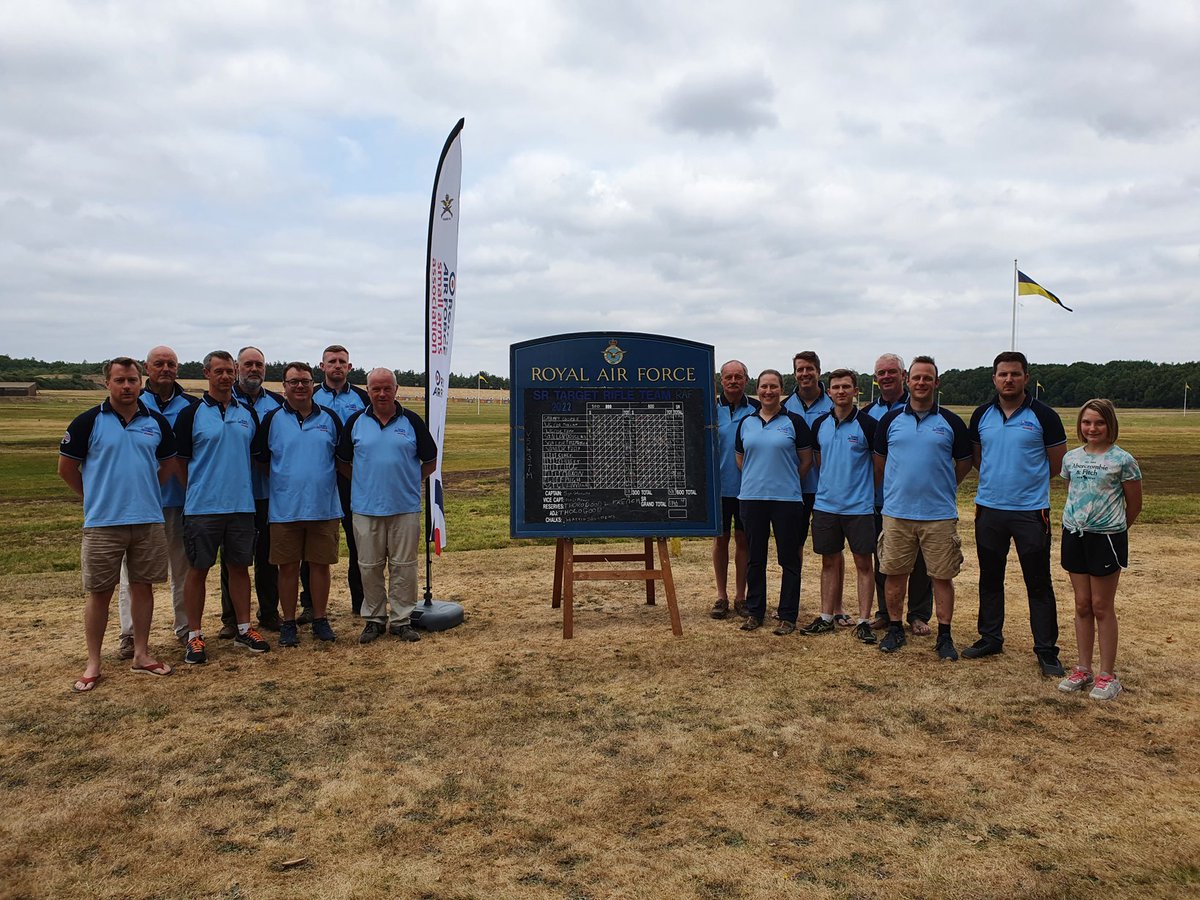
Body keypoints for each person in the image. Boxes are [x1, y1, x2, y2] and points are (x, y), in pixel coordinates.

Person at [59, 357, 176, 692]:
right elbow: (66, 469)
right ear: (107, 383)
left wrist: (147, 492)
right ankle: (93, 663)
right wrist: (94, 497)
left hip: (147, 520)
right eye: (120, 380)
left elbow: (168, 466)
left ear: (141, 382)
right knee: (100, 593)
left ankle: (141, 654)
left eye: (132, 380)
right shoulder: (88, 422)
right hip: (103, 523)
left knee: (143, 587)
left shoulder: (155, 422)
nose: (127, 386)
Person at [965, 351, 1068, 676]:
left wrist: (1027, 484)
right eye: (1003, 374)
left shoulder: (1044, 415)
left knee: (1038, 582)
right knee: (990, 577)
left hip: (1030, 512)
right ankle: (990, 638)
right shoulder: (981, 415)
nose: (1008, 379)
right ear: (994, 378)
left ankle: (1046, 650)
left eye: (1015, 374)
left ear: (1026, 377)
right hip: (989, 509)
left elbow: (1057, 462)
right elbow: (979, 458)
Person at [174, 351, 270, 664]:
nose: (226, 377)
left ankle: (244, 628)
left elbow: (256, 456)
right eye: (219, 371)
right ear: (207, 374)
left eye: (230, 371)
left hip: (241, 506)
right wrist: (198, 489)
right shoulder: (191, 414)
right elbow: (179, 462)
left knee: (239, 568)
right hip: (202, 508)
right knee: (198, 570)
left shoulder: (247, 413)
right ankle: (194, 635)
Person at [873, 356, 972, 658]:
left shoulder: (951, 422)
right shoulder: (890, 421)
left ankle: (944, 635)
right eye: (916, 377)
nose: (921, 383)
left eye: (927, 378)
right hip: (897, 513)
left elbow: (964, 463)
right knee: (894, 574)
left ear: (936, 382)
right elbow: (880, 461)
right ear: (908, 380)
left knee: (942, 577)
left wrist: (943, 486)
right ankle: (894, 628)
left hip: (938, 515)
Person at [336, 368, 438, 644]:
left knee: (404, 566)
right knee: (369, 566)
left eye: (387, 388)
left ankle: (402, 620)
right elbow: (343, 462)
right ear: (368, 390)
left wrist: (409, 480)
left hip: (404, 508)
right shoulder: (356, 422)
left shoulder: (412, 421)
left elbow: (430, 460)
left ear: (396, 389)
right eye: (376, 389)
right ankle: (374, 619)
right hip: (365, 509)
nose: (381, 394)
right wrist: (365, 482)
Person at [253, 362, 343, 646]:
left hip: (323, 508)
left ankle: (320, 619)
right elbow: (262, 460)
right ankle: (289, 622)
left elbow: (341, 458)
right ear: (285, 386)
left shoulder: (330, 418)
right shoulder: (272, 419)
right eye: (294, 382)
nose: (300, 386)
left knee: (320, 566)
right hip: (285, 510)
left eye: (305, 381)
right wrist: (287, 481)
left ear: (313, 384)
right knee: (288, 568)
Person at [115, 345, 197, 657]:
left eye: (171, 364)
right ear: (147, 369)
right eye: (159, 363)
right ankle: (129, 634)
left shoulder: (191, 406)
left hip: (180, 501)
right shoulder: (132, 403)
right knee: (133, 575)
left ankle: (186, 628)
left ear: (178, 369)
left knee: (183, 569)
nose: (165, 369)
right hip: (139, 504)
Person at [1057, 400, 1142, 701]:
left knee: (1101, 605)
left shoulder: (1123, 460)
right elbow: (1073, 493)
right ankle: (1083, 668)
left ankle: (1107, 675)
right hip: (1074, 535)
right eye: (1087, 422)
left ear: (1110, 425)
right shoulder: (1071, 458)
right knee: (1082, 604)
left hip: (1106, 539)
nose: (1092, 428)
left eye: (1099, 423)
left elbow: (1135, 504)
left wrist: (1113, 529)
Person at [735, 369, 813, 635]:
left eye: (773, 386)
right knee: (755, 558)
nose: (768, 391)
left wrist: (786, 479)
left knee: (789, 559)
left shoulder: (795, 422)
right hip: (752, 498)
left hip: (786, 500)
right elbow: (740, 459)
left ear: (782, 390)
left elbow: (806, 461)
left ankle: (787, 615)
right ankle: (755, 612)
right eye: (764, 386)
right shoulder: (746, 422)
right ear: (757, 390)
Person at [803, 369, 878, 643]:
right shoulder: (819, 424)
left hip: (859, 508)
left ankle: (864, 621)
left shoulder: (868, 425)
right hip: (826, 506)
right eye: (836, 387)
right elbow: (819, 461)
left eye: (846, 386)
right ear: (829, 392)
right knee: (829, 562)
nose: (841, 391)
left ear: (855, 391)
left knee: (863, 564)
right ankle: (826, 617)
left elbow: (878, 467)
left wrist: (861, 491)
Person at [862, 353, 933, 634]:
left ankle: (918, 614)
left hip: (920, 502)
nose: (887, 377)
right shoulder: (868, 413)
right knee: (884, 559)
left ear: (903, 376)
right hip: (883, 501)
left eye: (892, 371)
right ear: (875, 378)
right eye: (881, 373)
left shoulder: (919, 406)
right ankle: (885, 612)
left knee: (920, 563)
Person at [218, 346, 284, 634]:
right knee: (232, 560)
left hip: (268, 494)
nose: (254, 369)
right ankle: (231, 619)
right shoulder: (223, 401)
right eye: (248, 364)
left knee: (269, 558)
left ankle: (269, 613)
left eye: (259, 364)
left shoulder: (278, 404)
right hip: (234, 496)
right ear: (237, 368)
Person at [784, 351, 845, 627]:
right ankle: (790, 606)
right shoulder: (785, 406)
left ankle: (837, 607)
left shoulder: (834, 403)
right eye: (800, 369)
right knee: (793, 548)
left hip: (827, 490)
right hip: (794, 490)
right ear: (795, 373)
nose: (805, 373)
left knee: (833, 551)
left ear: (818, 371)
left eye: (809, 368)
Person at [311, 344, 369, 616]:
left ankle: (361, 601)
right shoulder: (310, 395)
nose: (337, 365)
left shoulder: (362, 397)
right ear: (322, 366)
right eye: (332, 361)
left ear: (349, 367)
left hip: (351, 478)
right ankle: (310, 605)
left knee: (358, 541)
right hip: (318, 479)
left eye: (342, 362)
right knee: (312, 543)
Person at [710, 360, 759, 619]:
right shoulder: (709, 409)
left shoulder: (757, 410)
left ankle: (741, 596)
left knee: (743, 541)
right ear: (721, 380)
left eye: (738, 377)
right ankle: (721, 596)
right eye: (728, 377)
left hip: (747, 488)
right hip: (718, 488)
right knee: (720, 540)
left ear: (746, 380)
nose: (733, 381)